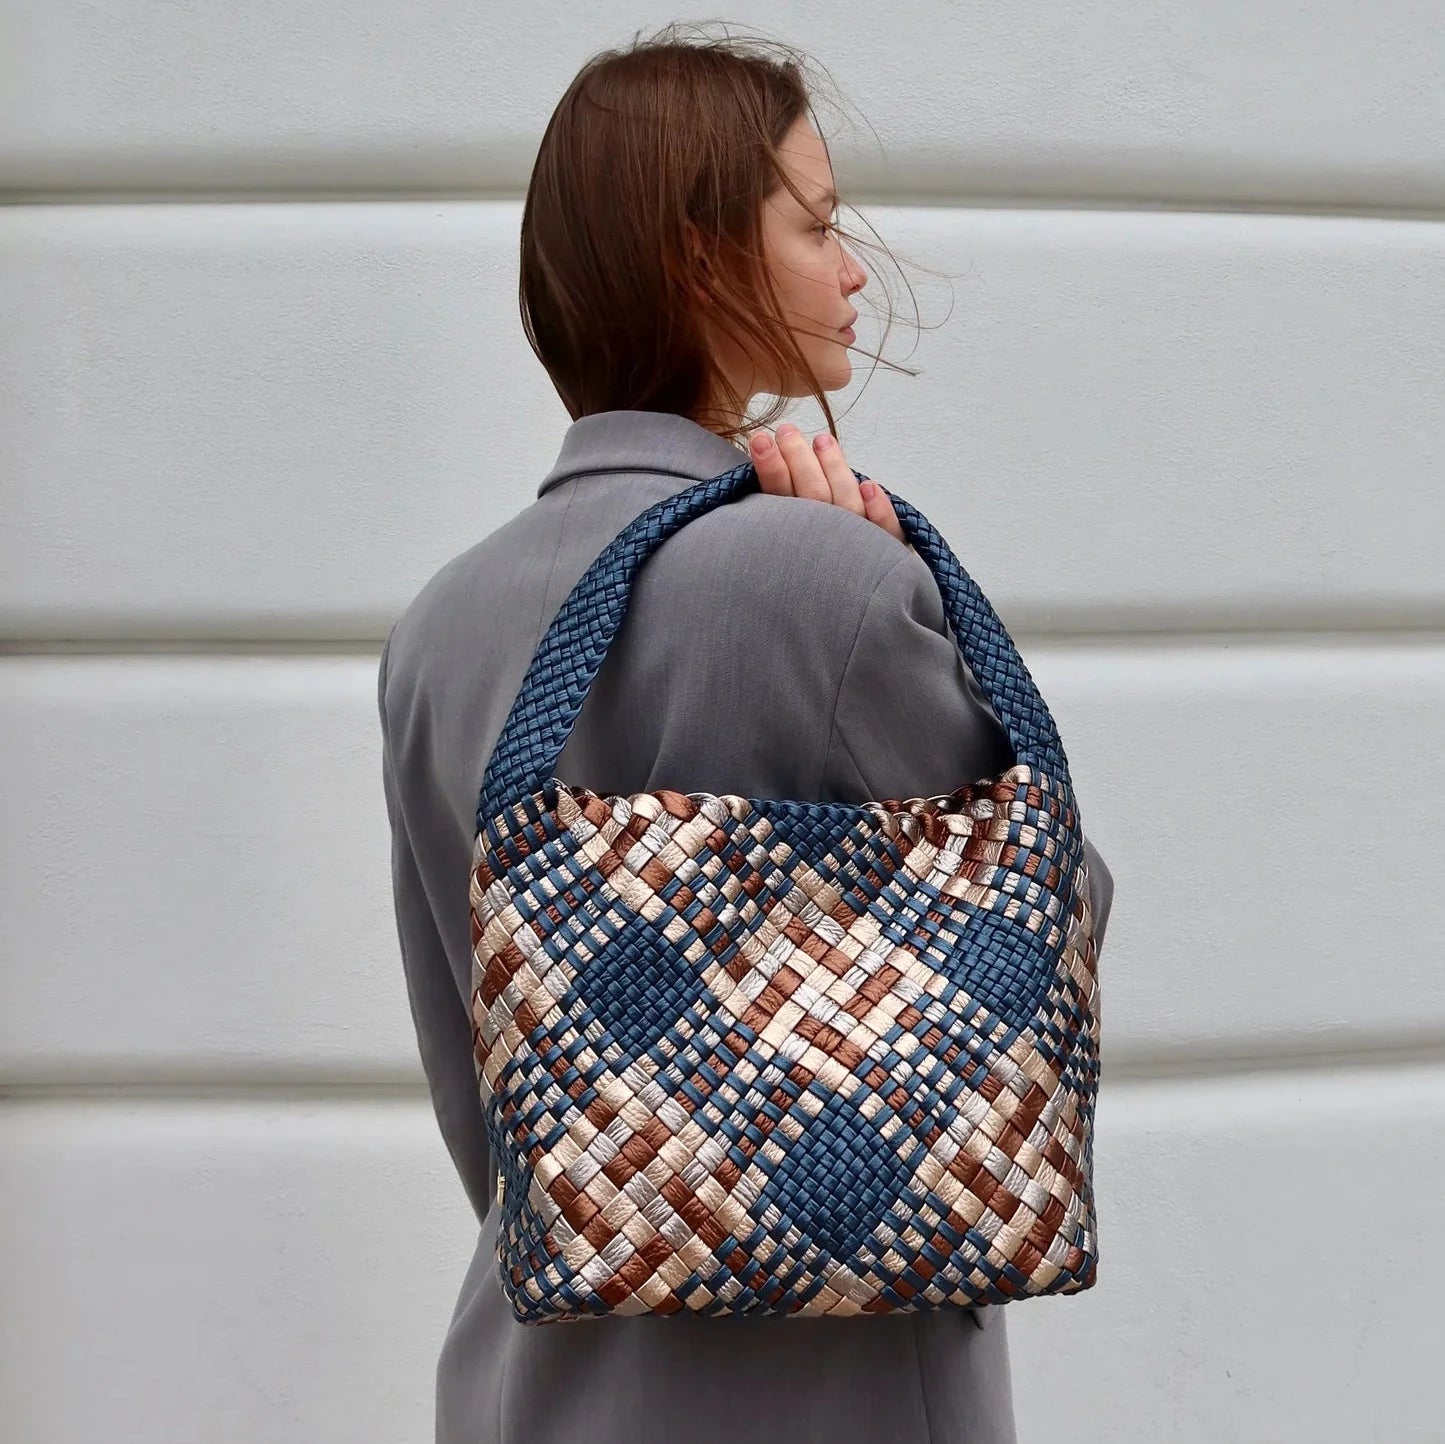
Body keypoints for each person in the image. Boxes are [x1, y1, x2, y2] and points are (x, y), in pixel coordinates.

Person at [378, 25, 1115, 1444]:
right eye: (818, 225)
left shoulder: (438, 626)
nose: (853, 271)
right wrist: (880, 582)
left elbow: (479, 1085)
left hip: (528, 1388)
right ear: (701, 259)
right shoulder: (827, 579)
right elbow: (1041, 932)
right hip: (832, 1396)